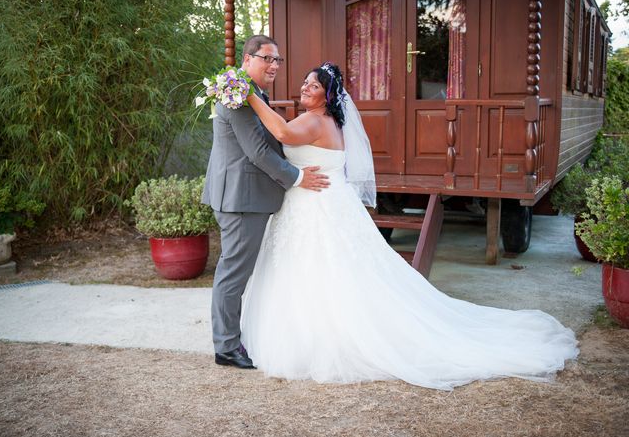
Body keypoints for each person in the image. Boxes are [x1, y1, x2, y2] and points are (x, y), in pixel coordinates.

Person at [239, 62, 579, 390]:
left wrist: (247, 93)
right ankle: (306, 330)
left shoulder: (315, 122)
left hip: (318, 207)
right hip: (317, 201)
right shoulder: (319, 118)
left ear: (327, 96)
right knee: (317, 270)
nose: (304, 88)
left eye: (313, 85)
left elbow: (282, 132)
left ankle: (326, 337)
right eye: (305, 83)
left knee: (324, 270)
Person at [202, 36, 329, 370]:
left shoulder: (253, 94)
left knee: (235, 269)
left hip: (246, 195)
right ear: (247, 59)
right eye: (266, 59)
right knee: (233, 272)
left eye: (278, 60)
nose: (273, 66)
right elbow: (257, 152)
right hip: (241, 197)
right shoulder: (238, 97)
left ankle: (229, 340)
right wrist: (299, 177)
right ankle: (226, 347)